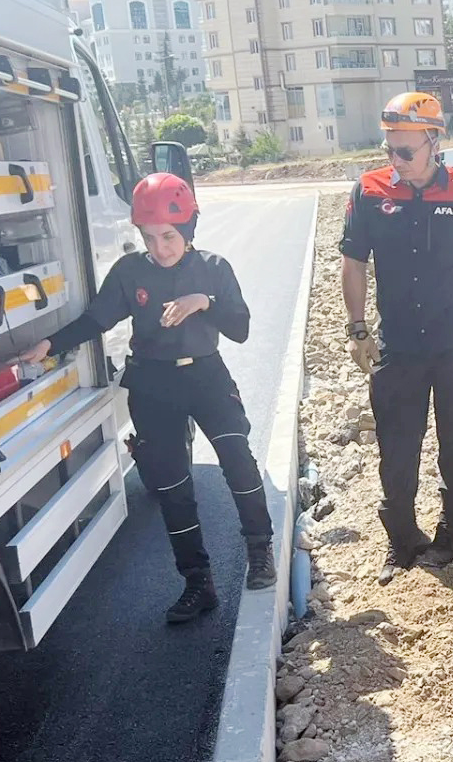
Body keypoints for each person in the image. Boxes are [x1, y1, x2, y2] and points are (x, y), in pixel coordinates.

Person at [23, 173, 274, 622]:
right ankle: (197, 582)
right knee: (172, 486)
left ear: (189, 229)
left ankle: (259, 548)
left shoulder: (213, 268)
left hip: (207, 377)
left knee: (237, 457)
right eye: (150, 237)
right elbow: (96, 320)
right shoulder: (130, 272)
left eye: (169, 236)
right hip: (153, 384)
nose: (160, 248)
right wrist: (50, 344)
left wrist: (204, 301)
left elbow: (240, 329)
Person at [340, 92, 453, 583]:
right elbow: (353, 263)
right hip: (398, 345)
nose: (396, 160)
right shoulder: (368, 192)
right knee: (396, 445)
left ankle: (451, 536)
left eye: (405, 150)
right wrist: (356, 328)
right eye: (389, 148)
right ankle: (402, 540)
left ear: (435, 142)